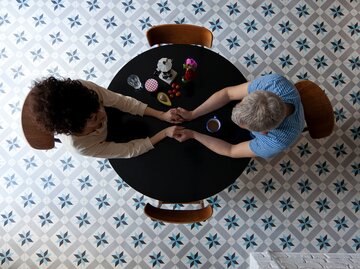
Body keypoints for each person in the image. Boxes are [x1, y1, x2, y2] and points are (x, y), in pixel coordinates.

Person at [28, 76, 184, 158]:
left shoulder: (85, 89)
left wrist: (161, 115)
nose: (103, 113)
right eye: (95, 118)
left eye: (98, 106)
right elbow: (128, 150)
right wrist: (163, 133)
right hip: (111, 138)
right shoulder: (81, 146)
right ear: (78, 128)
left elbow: (121, 101)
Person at [175, 73, 305, 159]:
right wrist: (192, 114)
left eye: (246, 127)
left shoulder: (276, 142)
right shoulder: (274, 83)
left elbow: (231, 150)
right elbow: (228, 94)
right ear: (258, 93)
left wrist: (194, 134)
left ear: (264, 132)